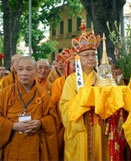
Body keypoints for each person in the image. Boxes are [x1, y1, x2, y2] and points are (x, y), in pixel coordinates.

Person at [59, 21, 114, 160]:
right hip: (81, 128)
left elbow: (111, 102)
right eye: (86, 55)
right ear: (78, 58)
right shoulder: (71, 80)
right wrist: (86, 101)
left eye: (93, 55)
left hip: (99, 128)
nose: (91, 58)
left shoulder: (102, 78)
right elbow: (65, 107)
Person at [0, 56, 58, 161]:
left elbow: (53, 118)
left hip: (35, 147)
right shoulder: (5, 93)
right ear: (16, 71)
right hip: (11, 145)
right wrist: (13, 126)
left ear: (35, 71)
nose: (24, 73)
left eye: (29, 69)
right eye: (20, 69)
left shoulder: (43, 94)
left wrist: (40, 123)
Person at [51, 48, 75, 161]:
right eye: (72, 65)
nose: (75, 68)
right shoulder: (59, 82)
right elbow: (55, 102)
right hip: (63, 120)